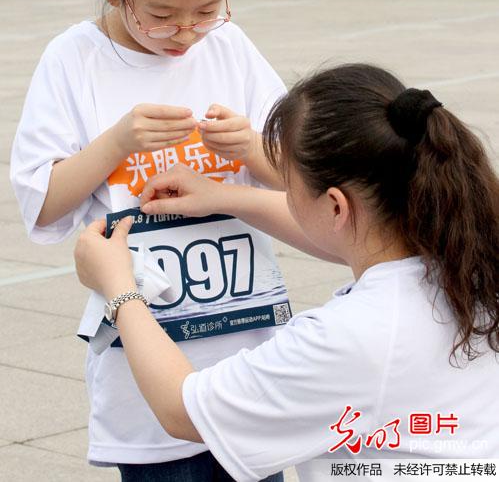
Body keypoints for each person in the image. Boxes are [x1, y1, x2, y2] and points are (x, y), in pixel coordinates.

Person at [10, 0, 289, 482]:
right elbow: (43, 205)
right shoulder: (74, 59)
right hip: (145, 360)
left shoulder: (232, 46)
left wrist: (250, 149)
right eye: (162, 14)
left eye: (207, 10)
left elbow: (301, 178)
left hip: (247, 347)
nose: (187, 32)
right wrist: (114, 144)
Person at [74, 63, 499, 481]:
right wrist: (226, 196)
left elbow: (182, 411)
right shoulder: (471, 265)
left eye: (288, 183)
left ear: (336, 205)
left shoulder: (350, 338)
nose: (284, 194)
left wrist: (121, 287)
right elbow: (342, 234)